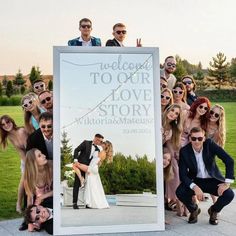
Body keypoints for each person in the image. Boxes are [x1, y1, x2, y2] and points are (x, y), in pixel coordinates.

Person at [176, 127, 234, 225]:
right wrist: (194, 186)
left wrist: (227, 183)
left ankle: (214, 210)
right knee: (180, 192)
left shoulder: (210, 144)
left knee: (229, 195)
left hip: (212, 179)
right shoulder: (184, 151)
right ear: (190, 139)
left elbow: (229, 160)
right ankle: (194, 210)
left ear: (204, 138)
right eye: (194, 138)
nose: (197, 141)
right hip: (196, 180)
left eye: (200, 138)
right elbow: (183, 175)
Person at [0, 115, 28, 213]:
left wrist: (30, 165)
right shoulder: (9, 136)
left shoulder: (21, 131)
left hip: (33, 155)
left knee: (28, 179)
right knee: (24, 180)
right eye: (3, 124)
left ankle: (25, 203)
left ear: (12, 121)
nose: (6, 125)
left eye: (8, 122)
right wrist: (26, 164)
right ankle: (19, 204)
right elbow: (20, 151)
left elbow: (28, 148)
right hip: (24, 159)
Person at [73, 140, 113, 209]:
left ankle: (81, 179)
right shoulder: (102, 152)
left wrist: (90, 169)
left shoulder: (102, 152)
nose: (102, 144)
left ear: (106, 146)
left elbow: (95, 160)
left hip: (92, 168)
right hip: (93, 168)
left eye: (103, 143)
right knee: (91, 185)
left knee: (75, 165)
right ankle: (90, 202)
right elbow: (98, 162)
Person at [24, 148, 53, 231]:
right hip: (40, 206)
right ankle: (36, 223)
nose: (44, 156)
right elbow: (30, 199)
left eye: (41, 153)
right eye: (39, 156)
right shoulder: (28, 178)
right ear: (34, 163)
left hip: (51, 199)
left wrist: (42, 197)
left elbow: (58, 190)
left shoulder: (51, 166)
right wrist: (29, 223)